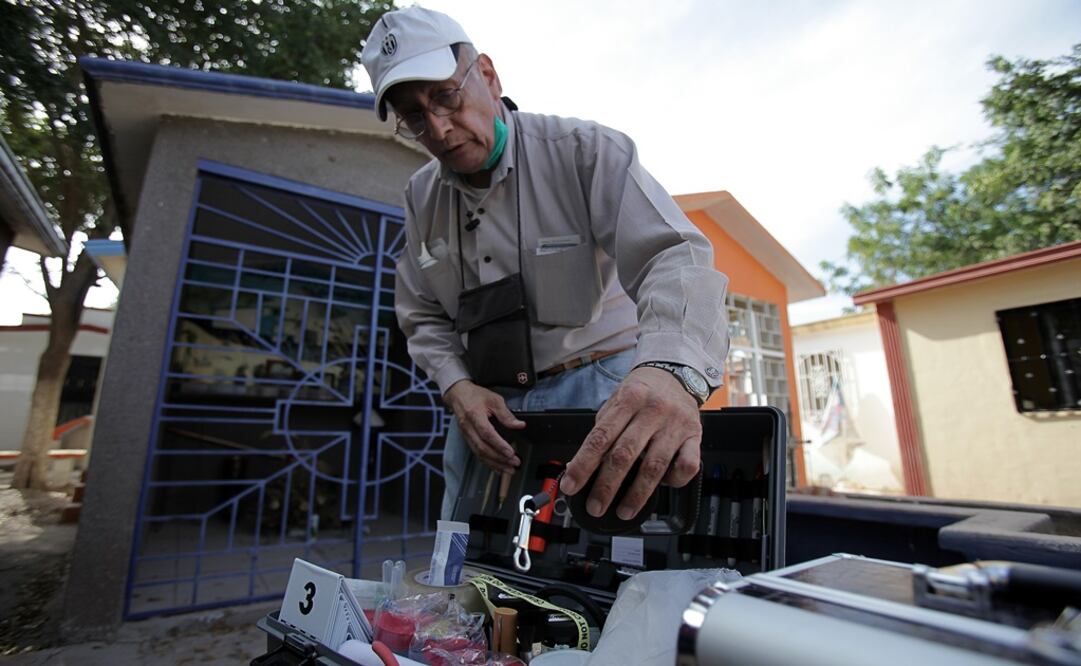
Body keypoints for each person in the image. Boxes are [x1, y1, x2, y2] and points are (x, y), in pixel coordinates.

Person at [361, 7, 729, 523]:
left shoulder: (584, 151)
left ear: (487, 75)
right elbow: (420, 314)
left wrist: (670, 371)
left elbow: (674, 256)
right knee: (467, 560)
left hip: (601, 387)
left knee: (603, 558)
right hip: (490, 409)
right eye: (415, 117)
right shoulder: (420, 196)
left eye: (446, 96)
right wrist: (457, 386)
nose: (439, 129)